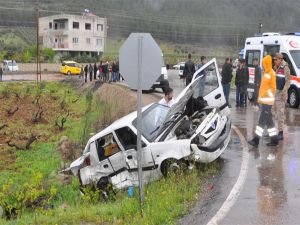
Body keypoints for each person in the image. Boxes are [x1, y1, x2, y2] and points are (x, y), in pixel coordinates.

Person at [248, 55, 279, 147]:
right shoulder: (266, 73)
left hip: (267, 102)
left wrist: (265, 94)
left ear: (267, 63)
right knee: (269, 123)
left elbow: (273, 89)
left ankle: (256, 140)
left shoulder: (271, 73)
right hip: (264, 102)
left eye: (264, 63)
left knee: (261, 122)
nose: (263, 65)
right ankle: (275, 140)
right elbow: (263, 87)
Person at [272, 53, 291, 140]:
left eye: (276, 60)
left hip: (281, 94)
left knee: (280, 114)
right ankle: (274, 130)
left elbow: (288, 82)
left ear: (280, 59)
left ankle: (280, 133)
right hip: (275, 92)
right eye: (274, 60)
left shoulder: (285, 68)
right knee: (272, 112)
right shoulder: (277, 67)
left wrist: (284, 92)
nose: (274, 61)